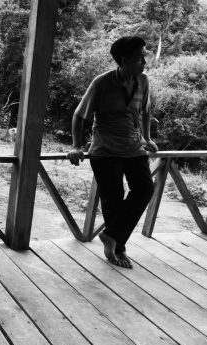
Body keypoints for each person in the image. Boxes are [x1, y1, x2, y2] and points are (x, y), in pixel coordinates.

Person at [67, 36, 158, 269]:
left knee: (145, 188)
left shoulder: (143, 81)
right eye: (141, 57)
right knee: (113, 200)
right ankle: (118, 248)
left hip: (133, 148)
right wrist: (77, 146)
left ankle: (111, 237)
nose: (145, 62)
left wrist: (147, 138)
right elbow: (79, 115)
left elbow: (146, 112)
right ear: (125, 60)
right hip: (105, 151)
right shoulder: (102, 83)